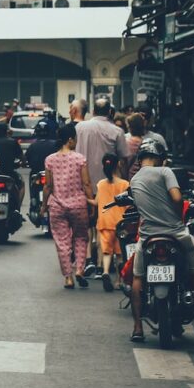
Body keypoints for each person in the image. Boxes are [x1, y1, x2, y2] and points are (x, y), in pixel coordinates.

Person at [129, 139, 194, 345]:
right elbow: (177, 198)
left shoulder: (133, 180)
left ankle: (138, 327)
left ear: (140, 159)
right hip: (176, 233)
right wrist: (176, 215)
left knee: (137, 277)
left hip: (148, 236)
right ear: (160, 159)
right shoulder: (165, 172)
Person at [75, 98, 129, 274]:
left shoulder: (80, 128)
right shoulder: (117, 131)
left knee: (87, 224)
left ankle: (89, 259)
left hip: (82, 183)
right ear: (109, 112)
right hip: (108, 185)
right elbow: (124, 159)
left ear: (93, 111)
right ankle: (102, 263)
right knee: (104, 223)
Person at [42, 124, 96, 289]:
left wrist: (44, 206)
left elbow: (48, 186)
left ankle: (68, 278)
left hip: (57, 206)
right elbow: (86, 183)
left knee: (62, 242)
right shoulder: (80, 159)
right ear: (70, 139)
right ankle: (79, 269)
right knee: (81, 237)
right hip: (78, 204)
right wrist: (91, 202)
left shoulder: (50, 159)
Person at [95, 153, 130, 292]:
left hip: (104, 222)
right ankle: (119, 281)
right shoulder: (125, 184)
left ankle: (105, 272)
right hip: (121, 223)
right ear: (118, 165)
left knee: (106, 252)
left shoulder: (100, 184)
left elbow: (96, 202)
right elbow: (128, 204)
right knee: (120, 254)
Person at [0, 121, 25, 204]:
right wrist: (22, 163)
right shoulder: (13, 142)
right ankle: (18, 206)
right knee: (21, 185)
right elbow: (22, 157)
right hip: (9, 173)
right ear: (6, 131)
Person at [125, 113, 146, 177]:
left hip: (131, 176)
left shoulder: (129, 142)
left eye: (128, 125)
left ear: (131, 127)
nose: (127, 127)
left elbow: (125, 163)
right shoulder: (144, 142)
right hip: (142, 177)